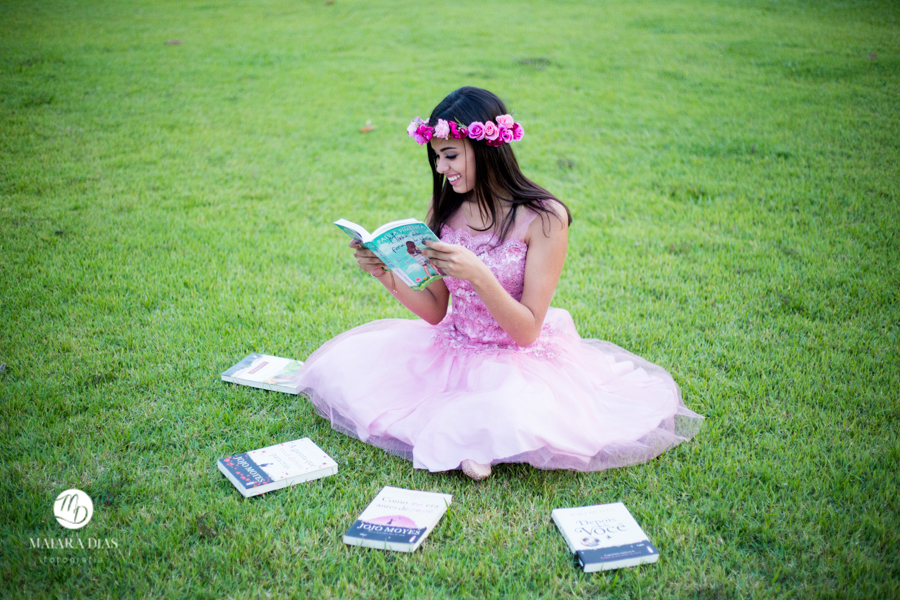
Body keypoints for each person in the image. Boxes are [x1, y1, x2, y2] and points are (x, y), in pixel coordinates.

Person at [296, 87, 702, 481]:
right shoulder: (445, 207)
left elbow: (527, 331)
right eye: (437, 158)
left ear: (487, 148)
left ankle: (480, 436)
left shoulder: (544, 218)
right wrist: (384, 272)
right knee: (356, 378)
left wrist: (477, 273)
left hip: (517, 356)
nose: (441, 169)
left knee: (511, 407)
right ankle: (473, 434)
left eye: (451, 156)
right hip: (454, 345)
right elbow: (437, 310)